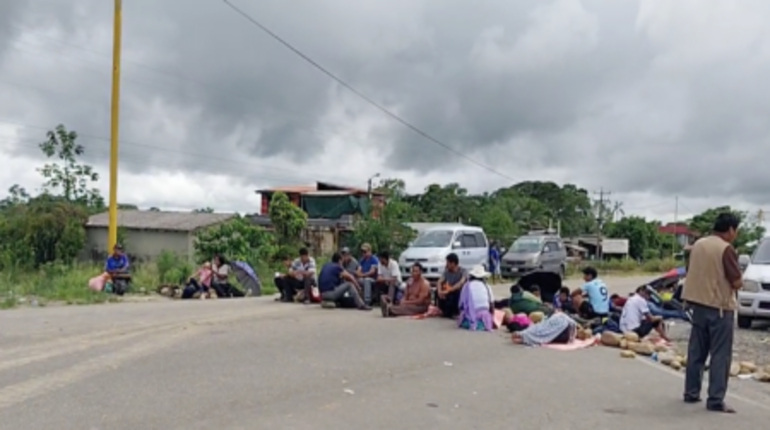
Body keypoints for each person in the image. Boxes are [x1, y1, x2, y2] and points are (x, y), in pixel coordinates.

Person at [682, 213, 743, 413]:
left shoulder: (698, 245)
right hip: (719, 307)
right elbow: (736, 281)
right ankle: (715, 399)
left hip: (697, 304)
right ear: (731, 230)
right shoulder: (726, 249)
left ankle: (691, 392)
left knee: (696, 352)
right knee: (720, 355)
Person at [457, 265, 495, 331]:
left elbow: (461, 304)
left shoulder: (466, 286)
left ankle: (472, 323)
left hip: (470, 314)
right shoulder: (487, 286)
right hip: (484, 314)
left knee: (465, 319)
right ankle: (484, 324)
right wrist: (492, 316)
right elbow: (492, 304)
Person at [511, 312, 577, 346]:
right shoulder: (567, 321)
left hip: (559, 328)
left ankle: (523, 336)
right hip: (557, 325)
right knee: (541, 331)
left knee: (541, 331)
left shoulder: (568, 333)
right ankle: (523, 336)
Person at [437, 253, 467, 318]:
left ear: (453, 263)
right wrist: (439, 291)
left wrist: (448, 291)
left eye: (448, 262)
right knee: (437, 291)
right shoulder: (446, 271)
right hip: (448, 290)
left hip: (457, 291)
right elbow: (440, 281)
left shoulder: (463, 271)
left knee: (457, 293)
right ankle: (443, 310)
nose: (446, 264)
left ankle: (456, 312)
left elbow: (460, 283)